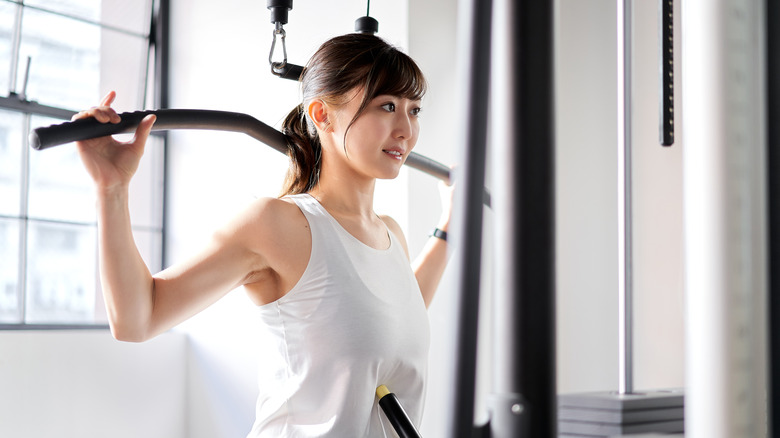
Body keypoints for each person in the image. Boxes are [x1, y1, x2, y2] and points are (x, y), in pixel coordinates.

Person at [73, 33, 452, 437]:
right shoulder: (277, 224)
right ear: (321, 115)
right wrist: (112, 189)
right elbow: (137, 318)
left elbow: (397, 316)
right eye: (388, 106)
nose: (406, 130)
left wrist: (451, 224)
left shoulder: (389, 232)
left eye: (414, 111)